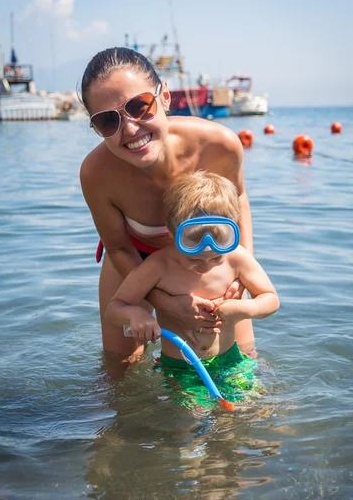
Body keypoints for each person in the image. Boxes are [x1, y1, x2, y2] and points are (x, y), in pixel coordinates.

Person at [80, 47, 255, 358]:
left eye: (139, 106)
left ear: (165, 98)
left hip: (210, 255)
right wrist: (163, 301)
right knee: (120, 374)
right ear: (96, 129)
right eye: (108, 121)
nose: (130, 129)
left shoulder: (219, 145)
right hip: (135, 261)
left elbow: (238, 199)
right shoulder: (96, 174)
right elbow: (119, 247)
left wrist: (241, 274)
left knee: (242, 361)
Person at [105, 171, 279, 407]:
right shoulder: (158, 266)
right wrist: (136, 314)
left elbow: (270, 299)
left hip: (231, 361)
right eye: (194, 259)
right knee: (190, 424)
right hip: (181, 367)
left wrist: (244, 308)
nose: (205, 265)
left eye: (215, 257)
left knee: (253, 411)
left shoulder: (236, 257)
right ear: (172, 233)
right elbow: (114, 310)